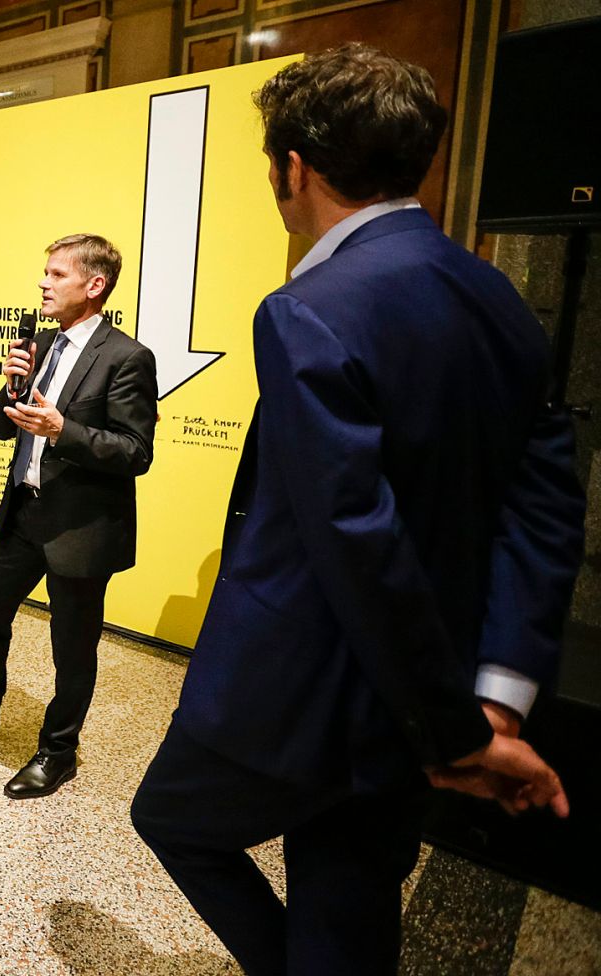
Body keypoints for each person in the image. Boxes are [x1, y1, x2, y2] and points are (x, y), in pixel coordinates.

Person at [126, 46, 584, 975]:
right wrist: (493, 703)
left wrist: (456, 736)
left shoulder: (308, 308)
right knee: (353, 894)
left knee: (171, 818)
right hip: (437, 680)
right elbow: (545, 511)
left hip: (303, 688)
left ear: (295, 167)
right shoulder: (499, 298)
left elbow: (352, 535)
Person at [0, 233, 157, 800]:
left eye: (56, 274)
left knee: (72, 646)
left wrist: (62, 431)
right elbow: (5, 426)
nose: (43, 283)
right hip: (25, 509)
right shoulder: (41, 343)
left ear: (94, 286)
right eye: (43, 274)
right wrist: (8, 391)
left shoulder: (127, 357)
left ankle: (57, 751)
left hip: (82, 527)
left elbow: (135, 452)